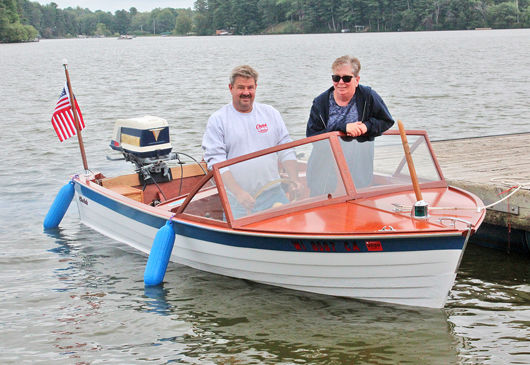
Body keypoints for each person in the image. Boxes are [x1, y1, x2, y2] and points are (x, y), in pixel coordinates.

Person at [202, 65, 299, 218]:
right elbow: (216, 163)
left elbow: (286, 149)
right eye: (241, 87)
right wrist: (239, 193)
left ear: (256, 87)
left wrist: (294, 180)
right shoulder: (218, 120)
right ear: (231, 88)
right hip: (237, 200)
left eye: (250, 87)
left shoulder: (270, 113)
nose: (246, 92)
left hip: (274, 194)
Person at [305, 55, 395, 194]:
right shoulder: (320, 102)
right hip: (324, 173)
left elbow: (386, 121)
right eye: (336, 78)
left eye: (346, 78)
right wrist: (342, 127)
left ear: (357, 80)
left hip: (359, 171)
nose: (341, 82)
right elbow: (312, 136)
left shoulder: (368, 96)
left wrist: (367, 126)